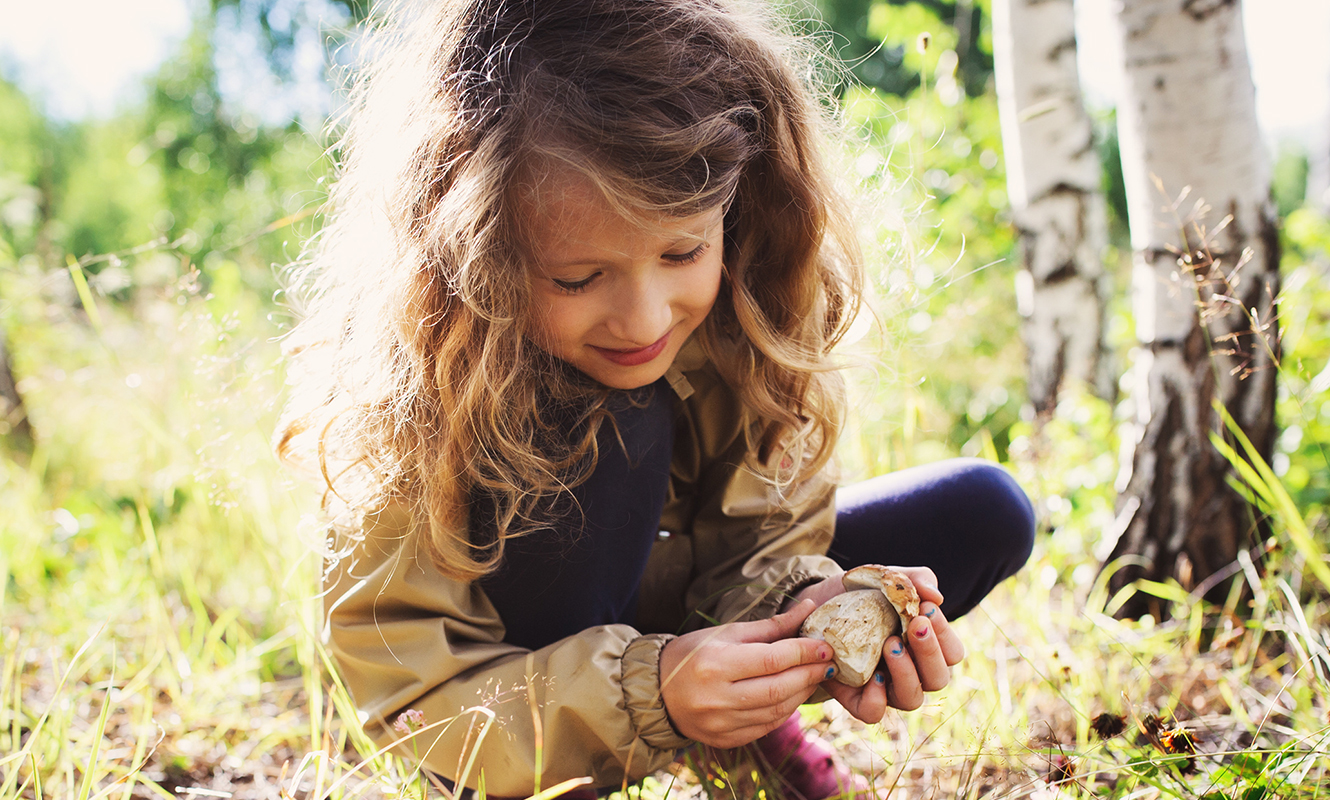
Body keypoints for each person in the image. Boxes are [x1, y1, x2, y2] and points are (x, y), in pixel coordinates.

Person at [275, 0, 1035, 796]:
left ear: (735, 210)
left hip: (683, 614)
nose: (643, 318)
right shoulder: (417, 388)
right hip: (522, 699)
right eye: (577, 277)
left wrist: (801, 609)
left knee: (983, 509)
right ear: (473, 252)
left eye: (682, 251)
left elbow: (764, 538)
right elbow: (415, 695)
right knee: (617, 420)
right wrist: (654, 691)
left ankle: (749, 727)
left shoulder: (754, 304)